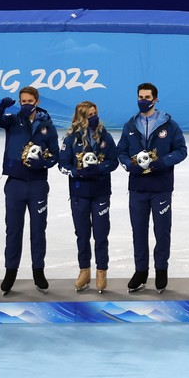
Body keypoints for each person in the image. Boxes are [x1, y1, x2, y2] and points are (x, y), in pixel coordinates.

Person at [118, 82, 187, 293]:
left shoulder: (169, 125)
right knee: (138, 232)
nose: (143, 100)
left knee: (162, 231)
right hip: (138, 187)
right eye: (140, 96)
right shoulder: (130, 126)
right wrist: (130, 165)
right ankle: (140, 272)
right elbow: (120, 152)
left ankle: (161, 270)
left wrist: (162, 162)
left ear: (155, 99)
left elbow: (182, 151)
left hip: (161, 187)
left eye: (147, 97)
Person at [0, 86, 59, 294]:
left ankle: (39, 271)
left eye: (29, 101)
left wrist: (42, 164)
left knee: (38, 231)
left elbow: (55, 156)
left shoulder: (47, 125)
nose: (25, 104)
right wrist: (1, 106)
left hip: (38, 184)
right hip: (15, 184)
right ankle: (10, 272)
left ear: (36, 101)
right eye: (23, 101)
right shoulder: (12, 120)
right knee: (13, 230)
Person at [60, 101, 119, 292]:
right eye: (89, 115)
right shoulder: (70, 139)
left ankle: (102, 272)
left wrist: (99, 169)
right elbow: (62, 164)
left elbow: (114, 161)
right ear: (80, 118)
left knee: (101, 235)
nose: (93, 117)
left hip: (101, 192)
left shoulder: (105, 137)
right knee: (82, 234)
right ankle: (84, 271)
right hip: (79, 193)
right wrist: (77, 173)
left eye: (95, 113)